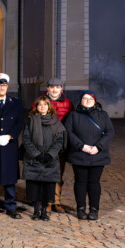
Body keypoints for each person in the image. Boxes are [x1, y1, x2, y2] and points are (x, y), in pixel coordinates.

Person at [64, 91, 114, 221]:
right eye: (84, 99)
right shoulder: (73, 115)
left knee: (94, 182)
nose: (87, 101)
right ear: (80, 101)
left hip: (98, 154)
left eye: (90, 98)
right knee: (80, 182)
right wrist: (81, 146)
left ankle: (94, 209)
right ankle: (80, 208)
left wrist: (99, 147)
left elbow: (109, 132)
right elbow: (68, 132)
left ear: (95, 101)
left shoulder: (103, 115)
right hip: (79, 154)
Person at [32, 77, 74, 213]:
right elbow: (33, 121)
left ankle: (56, 201)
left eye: (57, 87)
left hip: (60, 143)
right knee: (44, 172)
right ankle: (46, 201)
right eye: (52, 87)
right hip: (43, 143)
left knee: (58, 173)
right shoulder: (40, 102)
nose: (55, 89)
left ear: (61, 88)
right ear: (48, 88)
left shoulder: (68, 104)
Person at [0, 74, 23, 219]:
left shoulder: (16, 103)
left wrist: (9, 136)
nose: (2, 88)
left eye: (4, 85)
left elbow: (19, 123)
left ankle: (10, 206)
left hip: (9, 144)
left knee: (10, 176)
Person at [22, 96, 66, 221]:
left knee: (47, 186)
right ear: (36, 107)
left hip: (50, 160)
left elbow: (59, 140)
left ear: (49, 107)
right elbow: (26, 139)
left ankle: (44, 210)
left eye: (45, 105)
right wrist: (36, 154)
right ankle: (36, 210)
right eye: (40, 105)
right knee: (35, 186)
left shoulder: (56, 122)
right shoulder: (31, 120)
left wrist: (50, 154)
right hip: (33, 159)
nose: (42, 107)